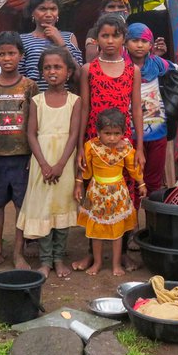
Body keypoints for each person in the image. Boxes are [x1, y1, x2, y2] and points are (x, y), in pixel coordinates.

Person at [73, 14, 145, 272]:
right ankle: (91, 255)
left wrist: (140, 148)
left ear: (123, 38)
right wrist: (81, 145)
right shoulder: (87, 69)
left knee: (124, 197)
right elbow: (84, 108)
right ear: (97, 39)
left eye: (116, 35)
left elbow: (136, 110)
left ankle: (122, 252)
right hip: (94, 142)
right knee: (92, 198)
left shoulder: (132, 70)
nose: (111, 40)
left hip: (123, 145)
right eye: (105, 35)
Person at [0, 31, 39, 271]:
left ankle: (18, 253)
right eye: (1, 54)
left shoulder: (30, 86)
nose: (7, 58)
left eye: (11, 53)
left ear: (21, 55)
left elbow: (35, 123)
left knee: (22, 206)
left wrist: (35, 155)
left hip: (23, 157)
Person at [17, 47, 82, 279]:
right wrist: (44, 164)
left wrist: (61, 165)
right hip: (41, 163)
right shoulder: (37, 100)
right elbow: (31, 134)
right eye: (47, 67)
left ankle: (58, 258)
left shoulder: (75, 101)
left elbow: (74, 135)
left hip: (64, 161)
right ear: (41, 72)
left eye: (57, 67)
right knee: (44, 208)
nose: (52, 71)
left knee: (61, 208)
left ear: (68, 71)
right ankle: (45, 260)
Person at [75, 108, 147, 276]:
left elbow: (133, 168)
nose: (112, 138)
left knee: (117, 232)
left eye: (117, 133)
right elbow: (85, 169)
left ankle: (116, 264)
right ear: (98, 132)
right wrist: (79, 182)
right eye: (107, 133)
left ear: (123, 132)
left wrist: (141, 183)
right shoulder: (91, 146)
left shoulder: (126, 148)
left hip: (118, 195)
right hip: (97, 193)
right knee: (96, 231)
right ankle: (98, 263)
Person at [126, 23, 178, 196]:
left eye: (144, 41)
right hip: (129, 133)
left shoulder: (158, 64)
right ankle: (132, 221)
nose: (139, 45)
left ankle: (151, 220)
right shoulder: (120, 66)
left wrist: (175, 105)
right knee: (130, 179)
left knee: (153, 182)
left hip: (157, 130)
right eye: (134, 40)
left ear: (151, 45)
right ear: (126, 43)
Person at [19, 0, 82, 91]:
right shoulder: (22, 40)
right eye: (42, 9)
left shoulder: (69, 37)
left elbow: (78, 76)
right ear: (32, 13)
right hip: (34, 102)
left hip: (65, 102)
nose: (48, 14)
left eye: (53, 9)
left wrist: (60, 42)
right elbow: (18, 78)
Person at [85, 0, 167, 63]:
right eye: (111, 7)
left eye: (121, 7)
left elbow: (141, 61)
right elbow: (91, 61)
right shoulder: (95, 31)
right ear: (103, 11)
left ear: (128, 10)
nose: (116, 10)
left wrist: (154, 54)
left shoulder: (135, 29)